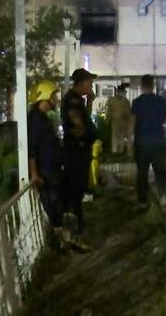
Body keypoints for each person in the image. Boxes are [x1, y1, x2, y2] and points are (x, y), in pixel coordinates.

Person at [27, 80, 71, 248]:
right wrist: (35, 173)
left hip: (51, 170)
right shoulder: (36, 121)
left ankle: (61, 241)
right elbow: (32, 149)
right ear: (45, 97)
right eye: (53, 96)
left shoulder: (41, 118)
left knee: (58, 204)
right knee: (54, 207)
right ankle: (59, 243)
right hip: (46, 173)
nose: (56, 100)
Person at [61, 68, 98, 237]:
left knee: (79, 188)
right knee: (75, 190)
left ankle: (78, 223)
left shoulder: (78, 100)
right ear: (81, 82)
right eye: (89, 82)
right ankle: (74, 229)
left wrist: (89, 102)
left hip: (80, 150)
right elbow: (78, 125)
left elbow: (84, 119)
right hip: (76, 152)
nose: (91, 86)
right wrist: (86, 137)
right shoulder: (72, 101)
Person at [131, 74, 166, 208]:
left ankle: (143, 201)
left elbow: (132, 123)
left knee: (142, 172)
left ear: (142, 86)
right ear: (153, 85)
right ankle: (163, 196)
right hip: (159, 142)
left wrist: (128, 142)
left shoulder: (137, 102)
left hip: (142, 143)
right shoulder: (161, 101)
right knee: (160, 171)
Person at [107, 84, 131, 156]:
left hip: (120, 121)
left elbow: (128, 112)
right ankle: (116, 152)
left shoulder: (123, 101)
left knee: (120, 137)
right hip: (117, 121)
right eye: (124, 92)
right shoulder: (114, 100)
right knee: (117, 137)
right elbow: (109, 110)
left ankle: (118, 152)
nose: (124, 93)